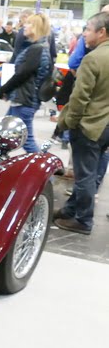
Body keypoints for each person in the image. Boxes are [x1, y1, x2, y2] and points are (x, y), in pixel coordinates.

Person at [54, 12, 109, 234]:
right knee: (90, 171)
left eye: (88, 29)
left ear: (101, 32)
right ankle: (70, 209)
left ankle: (83, 220)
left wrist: (68, 122)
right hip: (105, 126)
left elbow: (79, 98)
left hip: (90, 125)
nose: (84, 34)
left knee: (84, 175)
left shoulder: (93, 58)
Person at [0, 13, 52, 154]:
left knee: (26, 140)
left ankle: (44, 172)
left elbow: (22, 75)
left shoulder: (36, 49)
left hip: (24, 100)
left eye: (29, 23)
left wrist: (3, 89)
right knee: (5, 134)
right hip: (23, 99)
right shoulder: (39, 48)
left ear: (36, 27)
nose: (24, 26)